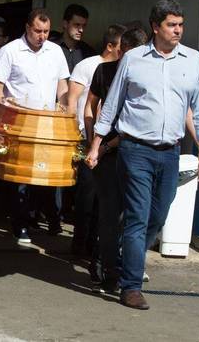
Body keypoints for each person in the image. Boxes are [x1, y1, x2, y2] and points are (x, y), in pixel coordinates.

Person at [86, 0, 199, 310]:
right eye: (172, 25)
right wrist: (96, 144)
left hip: (170, 152)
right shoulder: (135, 60)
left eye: (181, 25)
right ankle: (130, 285)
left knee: (157, 217)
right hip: (135, 150)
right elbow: (112, 104)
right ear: (156, 27)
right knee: (137, 217)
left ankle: (122, 258)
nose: (178, 31)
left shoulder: (194, 61)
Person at [0, 8, 69, 244]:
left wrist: (65, 109)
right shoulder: (10, 51)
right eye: (37, 31)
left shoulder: (55, 52)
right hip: (20, 122)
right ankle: (20, 223)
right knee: (21, 176)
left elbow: (63, 85)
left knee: (48, 172)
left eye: (46, 31)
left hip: (48, 122)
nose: (42, 36)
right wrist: (3, 106)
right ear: (27, 28)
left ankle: (48, 218)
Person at [83, 27, 147, 291]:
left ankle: (122, 261)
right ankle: (105, 265)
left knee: (136, 215)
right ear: (120, 51)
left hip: (130, 149)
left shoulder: (146, 77)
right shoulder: (105, 71)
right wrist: (92, 140)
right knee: (108, 212)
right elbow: (90, 106)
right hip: (106, 153)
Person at [66, 24, 126, 257]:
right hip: (88, 138)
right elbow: (79, 102)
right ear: (111, 46)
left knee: (106, 200)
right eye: (122, 48)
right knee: (87, 196)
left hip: (113, 143)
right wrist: (87, 137)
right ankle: (80, 243)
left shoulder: (128, 69)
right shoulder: (91, 67)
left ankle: (97, 246)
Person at [53, 4, 95, 73]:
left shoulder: (88, 53)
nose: (81, 30)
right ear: (65, 24)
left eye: (84, 26)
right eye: (77, 25)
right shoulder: (51, 47)